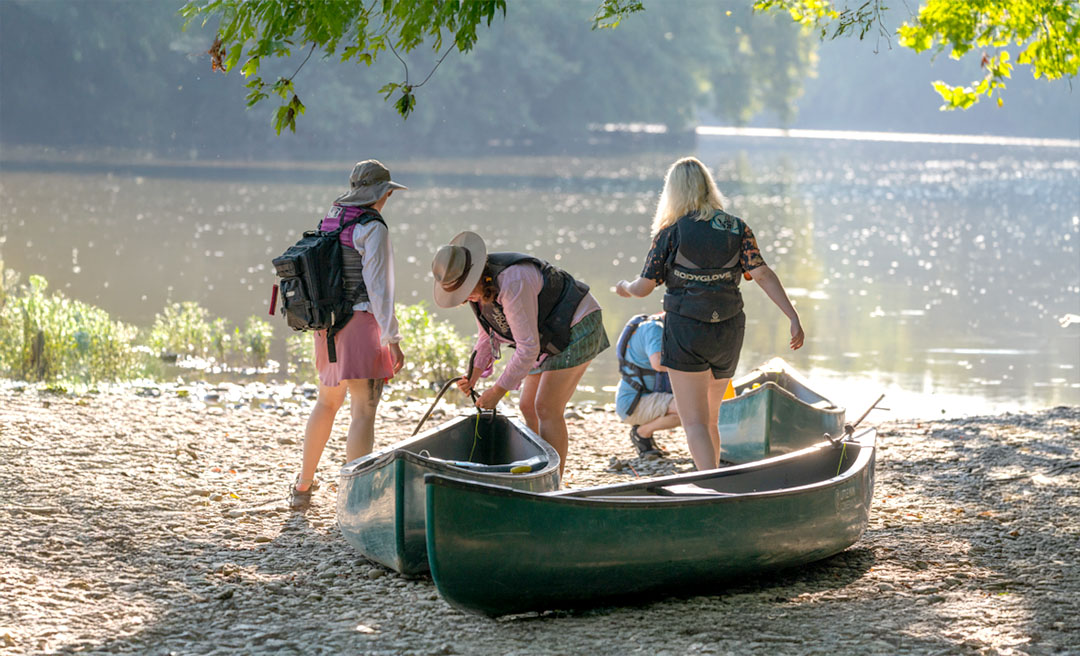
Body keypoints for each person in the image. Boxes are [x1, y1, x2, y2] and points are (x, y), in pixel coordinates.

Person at [615, 156, 804, 471]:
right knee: (711, 420)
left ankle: (710, 487)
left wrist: (624, 287)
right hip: (728, 330)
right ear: (707, 187)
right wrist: (793, 316)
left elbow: (644, 287)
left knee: (695, 423)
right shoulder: (736, 227)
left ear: (672, 191)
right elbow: (763, 274)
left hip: (687, 331)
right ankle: (714, 477)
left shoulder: (670, 233)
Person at [431, 231, 609, 480]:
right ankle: (538, 468)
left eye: (464, 290)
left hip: (576, 325)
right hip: (546, 333)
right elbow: (487, 336)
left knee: (546, 407)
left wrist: (496, 391)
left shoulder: (512, 280)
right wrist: (473, 375)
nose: (464, 299)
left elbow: (527, 349)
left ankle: (552, 481)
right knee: (527, 405)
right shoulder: (479, 291)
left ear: (475, 273)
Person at [290, 160, 407, 509]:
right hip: (360, 326)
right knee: (363, 412)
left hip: (326, 326)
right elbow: (379, 288)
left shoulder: (332, 216)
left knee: (326, 403)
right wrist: (393, 339)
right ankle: (353, 500)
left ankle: (302, 487)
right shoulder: (373, 226)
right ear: (383, 193)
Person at [615, 312, 680, 458]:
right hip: (634, 404)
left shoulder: (652, 325)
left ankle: (644, 432)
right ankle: (641, 433)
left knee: (691, 412)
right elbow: (657, 363)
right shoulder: (654, 328)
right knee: (691, 411)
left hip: (637, 399)